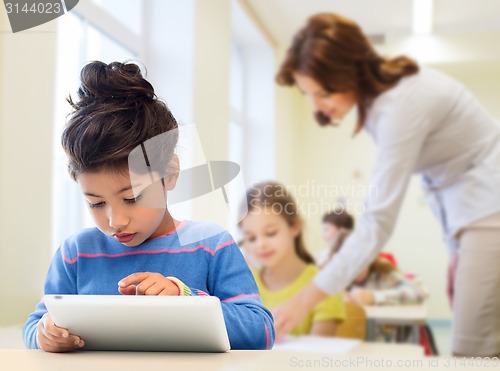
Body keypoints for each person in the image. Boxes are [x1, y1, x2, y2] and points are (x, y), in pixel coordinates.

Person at [273, 12, 500, 357]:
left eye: (323, 92)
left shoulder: (400, 106)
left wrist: (303, 302)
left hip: (489, 208)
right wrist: (457, 248)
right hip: (474, 214)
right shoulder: (383, 104)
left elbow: (376, 222)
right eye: (308, 94)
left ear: (350, 72)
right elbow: (443, 178)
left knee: (472, 352)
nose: (316, 106)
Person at [22, 61, 275, 352]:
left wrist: (186, 299)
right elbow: (36, 324)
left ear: (170, 174)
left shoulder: (210, 245)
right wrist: (44, 336)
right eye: (96, 203)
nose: (115, 220)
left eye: (132, 198)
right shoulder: (76, 254)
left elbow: (262, 331)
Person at [240, 182, 345, 337]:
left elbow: (319, 356)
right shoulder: (243, 286)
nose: (261, 244)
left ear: (294, 227)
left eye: (270, 233)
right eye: (251, 238)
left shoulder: (324, 287)